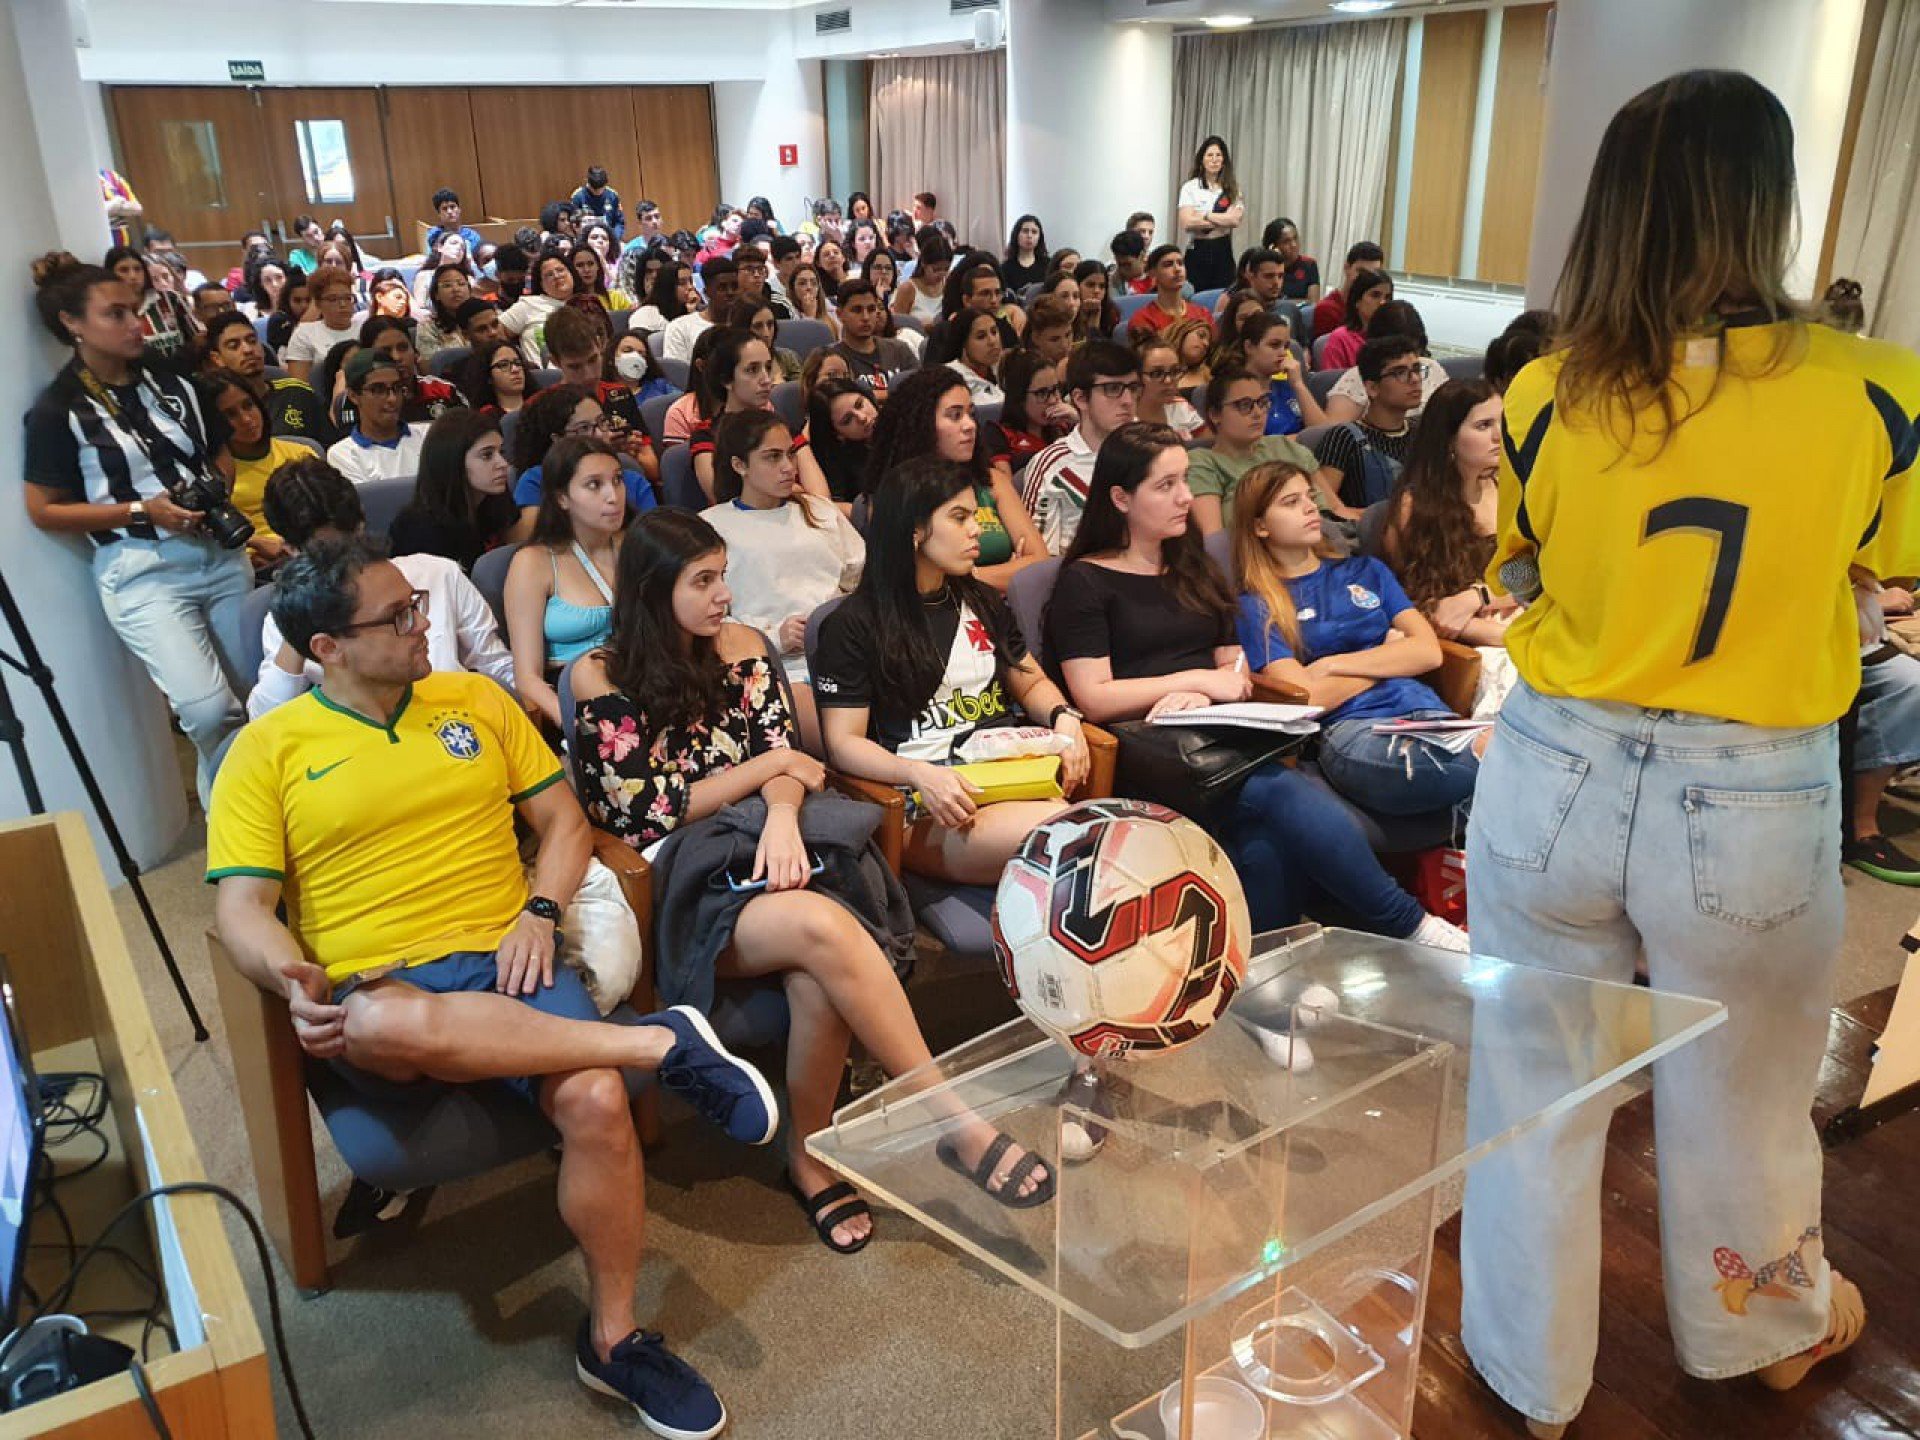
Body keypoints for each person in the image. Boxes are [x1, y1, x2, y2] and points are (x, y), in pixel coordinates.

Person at [1458, 71, 1917, 1439]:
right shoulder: (1878, 390)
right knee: (1750, 1085)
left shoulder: (1544, 389)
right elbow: (1891, 569)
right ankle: (1766, 1324)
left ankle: (1529, 1378)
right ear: (1767, 202)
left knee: (1533, 1081)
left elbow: (1525, 570)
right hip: (1756, 785)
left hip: (1554, 768)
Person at [210, 535, 775, 1440]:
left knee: (593, 1101)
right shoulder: (266, 751)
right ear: (329, 649)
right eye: (397, 617)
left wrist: (540, 912)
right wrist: (289, 973)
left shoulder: (472, 699)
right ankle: (657, 1042)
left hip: (510, 953)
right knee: (386, 1022)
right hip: (381, 981)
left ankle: (615, 1340)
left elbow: (563, 821)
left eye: (417, 603)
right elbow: (243, 906)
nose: (423, 622)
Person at [573, 508, 1050, 1248]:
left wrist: (787, 815)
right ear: (650, 588)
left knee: (817, 975)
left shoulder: (743, 649)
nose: (722, 595)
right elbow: (646, 812)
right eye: (702, 582)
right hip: (682, 873)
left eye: (723, 575)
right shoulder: (599, 674)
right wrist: (771, 776)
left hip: (772, 842)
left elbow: (794, 768)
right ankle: (954, 1121)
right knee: (827, 926)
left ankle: (809, 1157)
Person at [1044, 423, 1467, 948]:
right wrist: (1191, 682)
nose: (1185, 497)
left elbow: (1236, 667)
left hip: (1212, 728)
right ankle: (1407, 923)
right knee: (1274, 790)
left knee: (1262, 838)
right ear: (1120, 498)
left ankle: (1270, 982)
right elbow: (1094, 695)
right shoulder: (1085, 581)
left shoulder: (1190, 564)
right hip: (1143, 742)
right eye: (1166, 485)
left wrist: (1210, 690)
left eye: (1184, 481)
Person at [25, 254, 251, 805]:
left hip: (219, 553)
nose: (136, 325)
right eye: (116, 314)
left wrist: (214, 490)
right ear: (72, 325)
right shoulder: (60, 410)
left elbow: (220, 449)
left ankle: (252, 817)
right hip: (144, 571)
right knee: (205, 709)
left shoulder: (172, 380)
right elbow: (43, 509)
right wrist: (141, 511)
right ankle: (237, 828)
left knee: (261, 693)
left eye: (136, 311)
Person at [817, 455, 1087, 884]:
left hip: (1008, 777)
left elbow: (1028, 677)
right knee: (1067, 839)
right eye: (959, 517)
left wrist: (1064, 718)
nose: (977, 528)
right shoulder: (853, 625)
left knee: (1088, 834)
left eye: (974, 515)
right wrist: (919, 775)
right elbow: (843, 743)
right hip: (925, 803)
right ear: (914, 530)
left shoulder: (980, 599)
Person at [1234, 460, 1484, 816]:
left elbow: (1429, 652)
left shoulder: (1367, 570)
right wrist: (1390, 656)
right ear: (1260, 526)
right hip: (1354, 732)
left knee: (1517, 763)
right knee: (1507, 765)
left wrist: (1334, 664)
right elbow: (1306, 698)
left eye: (1309, 496)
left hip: (1428, 713)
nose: (1308, 507)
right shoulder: (1258, 604)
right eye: (1290, 503)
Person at [248, 456, 514, 717]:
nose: (346, 565)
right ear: (291, 552)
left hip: (458, 727)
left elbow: (498, 668)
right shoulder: (285, 621)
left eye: (349, 545)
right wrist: (303, 625)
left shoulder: (438, 573)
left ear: (361, 524)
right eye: (325, 556)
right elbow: (265, 720)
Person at [701, 410, 863, 744]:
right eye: (772, 457)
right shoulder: (711, 528)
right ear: (739, 466)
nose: (789, 466)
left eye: (790, 454)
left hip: (846, 650)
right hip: (773, 665)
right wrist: (774, 637)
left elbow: (865, 578)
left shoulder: (819, 510)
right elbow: (710, 619)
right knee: (825, 719)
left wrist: (845, 618)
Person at [866, 368, 1046, 590]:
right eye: (955, 415)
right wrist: (1006, 572)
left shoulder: (992, 480)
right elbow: (908, 581)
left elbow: (1039, 563)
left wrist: (966, 576)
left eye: (971, 414)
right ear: (921, 424)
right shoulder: (895, 494)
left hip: (1003, 612)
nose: (970, 425)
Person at [1379, 378, 1517, 646]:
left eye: (1503, 421)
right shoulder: (1416, 506)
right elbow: (1422, 607)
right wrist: (1505, 636)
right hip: (1464, 643)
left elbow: (1538, 574)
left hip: (1521, 620)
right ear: (1449, 439)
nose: (1499, 436)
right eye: (1483, 425)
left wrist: (1481, 595)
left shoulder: (1513, 487)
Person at [504, 436, 629, 727]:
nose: (613, 495)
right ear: (562, 498)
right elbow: (527, 677)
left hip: (641, 681)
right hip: (578, 700)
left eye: (618, 480)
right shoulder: (533, 563)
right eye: (594, 485)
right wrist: (577, 728)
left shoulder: (635, 544)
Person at [1022, 341, 1142, 553]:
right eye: (1113, 389)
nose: (1127, 400)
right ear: (1080, 398)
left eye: (1133, 388)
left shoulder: (1152, 452)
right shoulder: (1052, 465)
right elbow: (1039, 562)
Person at [688, 328, 829, 502]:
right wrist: (797, 492)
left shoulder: (783, 427)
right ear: (726, 379)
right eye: (752, 370)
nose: (766, 379)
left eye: (768, 368)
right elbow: (728, 499)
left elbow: (821, 498)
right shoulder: (707, 436)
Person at [1186, 366, 1322, 536]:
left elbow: (1333, 510)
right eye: (1245, 405)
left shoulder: (1285, 446)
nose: (1258, 413)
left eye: (1263, 403)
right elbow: (1213, 539)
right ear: (1215, 415)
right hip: (1255, 554)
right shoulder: (1203, 463)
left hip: (1321, 537)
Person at [390, 408, 524, 571]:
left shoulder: (498, 501)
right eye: (487, 455)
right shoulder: (418, 529)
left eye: (501, 452)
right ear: (454, 462)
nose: (503, 463)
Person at [203, 375, 311, 570]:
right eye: (230, 415)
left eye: (248, 405)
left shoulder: (301, 453)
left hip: (308, 554)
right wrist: (252, 547)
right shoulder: (212, 474)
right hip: (246, 565)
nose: (246, 419)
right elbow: (206, 531)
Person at [511, 383, 658, 525]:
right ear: (558, 439)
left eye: (602, 422)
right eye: (584, 428)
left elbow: (651, 541)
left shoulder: (633, 481)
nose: (600, 434)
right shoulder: (536, 480)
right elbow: (529, 541)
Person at [542, 306, 658, 483]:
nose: (589, 374)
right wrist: (602, 449)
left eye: (593, 360)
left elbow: (653, 470)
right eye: (575, 367)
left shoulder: (620, 395)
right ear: (555, 362)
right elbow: (543, 483)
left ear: (601, 345)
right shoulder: (542, 407)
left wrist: (630, 453)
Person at [1311, 336, 1423, 518]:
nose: (1415, 379)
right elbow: (1326, 509)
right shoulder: (1344, 436)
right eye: (1400, 373)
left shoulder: (1422, 431)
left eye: (1417, 370)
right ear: (1372, 388)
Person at [201, 311, 329, 445]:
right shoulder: (215, 410)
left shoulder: (298, 393)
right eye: (234, 346)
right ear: (217, 359)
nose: (247, 349)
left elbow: (328, 446)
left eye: (252, 341)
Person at [1323, 301, 1445, 422]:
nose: (1415, 379)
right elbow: (1332, 430)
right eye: (1397, 351)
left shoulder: (1431, 367)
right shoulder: (1358, 377)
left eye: (1413, 349)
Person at [325, 349, 428, 486]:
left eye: (397, 388)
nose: (392, 398)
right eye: (378, 390)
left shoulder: (427, 435)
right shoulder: (343, 454)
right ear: (353, 396)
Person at [1223, 311, 1330, 437]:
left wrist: (1298, 385)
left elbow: (1324, 435)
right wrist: (1298, 440)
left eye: (1286, 346)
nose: (1283, 353)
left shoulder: (1290, 386)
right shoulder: (1233, 392)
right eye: (1274, 345)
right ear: (1249, 347)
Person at [105, 245, 196, 366]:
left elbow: (196, 337)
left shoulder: (170, 299)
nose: (132, 276)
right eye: (124, 270)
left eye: (138, 269)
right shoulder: (108, 311)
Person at [827, 279, 916, 397]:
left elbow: (920, 390)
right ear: (840, 314)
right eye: (857, 310)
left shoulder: (900, 349)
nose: (865, 317)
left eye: (871, 309)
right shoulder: (831, 358)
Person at [1177, 136, 1244, 292]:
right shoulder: (1190, 187)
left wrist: (1204, 215)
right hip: (1198, 248)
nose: (1214, 160)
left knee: (1224, 295)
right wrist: (1222, 219)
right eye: (1210, 155)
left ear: (1224, 160)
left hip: (1223, 248)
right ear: (1202, 159)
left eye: (1218, 155)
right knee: (1194, 296)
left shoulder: (1232, 189)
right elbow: (1187, 222)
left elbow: (1234, 220)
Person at [804, 377, 878, 507]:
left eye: (860, 404)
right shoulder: (835, 460)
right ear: (837, 434)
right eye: (847, 420)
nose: (862, 418)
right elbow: (829, 506)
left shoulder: (903, 423)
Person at [283, 268, 364, 384]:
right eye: (333, 299)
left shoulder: (364, 329)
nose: (343, 304)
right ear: (317, 304)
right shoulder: (304, 334)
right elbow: (298, 387)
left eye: (347, 298)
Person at [998, 350, 1075, 466]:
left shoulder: (1065, 425)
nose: (1053, 400)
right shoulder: (1000, 435)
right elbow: (1004, 480)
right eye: (1042, 393)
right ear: (1020, 397)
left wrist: (1078, 420)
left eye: (1055, 389)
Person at [500, 250, 576, 366]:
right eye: (549, 274)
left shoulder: (587, 304)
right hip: (541, 378)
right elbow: (496, 334)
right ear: (541, 284)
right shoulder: (528, 304)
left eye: (560, 270)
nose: (556, 276)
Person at [662, 257, 739, 364]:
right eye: (722, 288)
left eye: (735, 287)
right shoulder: (680, 327)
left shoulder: (747, 323)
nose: (730, 293)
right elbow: (677, 375)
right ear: (706, 292)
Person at [1133, 335, 1207, 442]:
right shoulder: (1123, 416)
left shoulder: (1180, 407)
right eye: (1157, 373)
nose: (1168, 380)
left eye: (1174, 371)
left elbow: (1209, 447)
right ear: (1136, 377)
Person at [1319, 269, 1394, 372]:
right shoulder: (1340, 339)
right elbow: (1332, 383)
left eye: (1388, 297)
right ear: (1357, 301)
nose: (1382, 302)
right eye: (1375, 295)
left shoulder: (1394, 336)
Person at [1129, 245, 1211, 339]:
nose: (1177, 269)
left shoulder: (1202, 313)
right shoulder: (1143, 319)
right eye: (1168, 264)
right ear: (1152, 273)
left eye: (1180, 263)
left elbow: (1214, 350)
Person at [1312, 241, 1385, 340]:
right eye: (1361, 272)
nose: (1366, 279)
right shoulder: (1328, 309)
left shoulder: (1380, 307)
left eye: (1373, 274)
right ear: (1347, 268)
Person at [938, 308, 1005, 407]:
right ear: (963, 344)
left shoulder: (1006, 369)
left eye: (994, 332)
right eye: (981, 336)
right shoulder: (948, 381)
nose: (992, 341)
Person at [460, 340, 541, 422]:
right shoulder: (485, 419)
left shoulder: (541, 404)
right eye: (503, 365)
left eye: (517, 363)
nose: (515, 369)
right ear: (488, 376)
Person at [729, 297, 802, 382]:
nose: (766, 334)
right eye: (758, 326)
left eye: (770, 324)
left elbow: (800, 393)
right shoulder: (731, 366)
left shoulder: (787, 358)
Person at [414, 264, 474, 363]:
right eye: (447, 285)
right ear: (436, 294)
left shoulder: (483, 316)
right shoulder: (427, 325)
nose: (456, 289)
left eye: (461, 284)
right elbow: (429, 365)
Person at [894, 229, 951, 325]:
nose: (941, 274)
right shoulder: (908, 288)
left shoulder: (948, 284)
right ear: (924, 264)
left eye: (946, 269)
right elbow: (897, 324)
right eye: (936, 270)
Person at [425, 187, 490, 264]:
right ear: (439, 214)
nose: (449, 211)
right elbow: (430, 260)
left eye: (452, 207)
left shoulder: (472, 236)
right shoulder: (433, 235)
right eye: (445, 209)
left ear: (459, 210)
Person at [1262, 219, 1320, 303]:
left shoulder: (1309, 264)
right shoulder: (1264, 267)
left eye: (1295, 238)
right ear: (1274, 246)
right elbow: (1262, 301)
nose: (1294, 245)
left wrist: (1278, 303)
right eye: (1286, 241)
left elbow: (1313, 303)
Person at [569, 245, 630, 315]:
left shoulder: (616, 298)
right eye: (580, 265)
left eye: (590, 264)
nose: (587, 270)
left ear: (598, 266)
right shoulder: (570, 303)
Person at [570, 166, 625, 242]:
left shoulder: (612, 195)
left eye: (601, 188)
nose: (598, 192)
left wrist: (614, 238)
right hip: (586, 240)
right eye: (594, 189)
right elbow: (574, 225)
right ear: (587, 182)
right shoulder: (578, 197)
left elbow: (619, 222)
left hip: (610, 239)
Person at [1023, 294, 1076, 370]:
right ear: (1036, 338)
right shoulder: (1026, 372)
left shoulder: (1078, 361)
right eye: (1054, 339)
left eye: (1068, 335)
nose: (1064, 345)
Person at [786, 262, 838, 337]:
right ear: (793, 288)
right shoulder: (788, 312)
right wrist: (809, 315)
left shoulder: (830, 308)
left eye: (814, 283)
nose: (809, 287)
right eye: (802, 283)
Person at [1161, 317, 1215, 391]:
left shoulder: (1207, 375)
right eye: (1201, 335)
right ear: (1181, 333)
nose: (1206, 344)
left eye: (1209, 342)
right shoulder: (1154, 370)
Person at [266, 271, 309, 358]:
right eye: (297, 300)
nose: (304, 306)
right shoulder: (278, 320)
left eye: (308, 300)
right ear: (287, 301)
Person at [1073, 259, 1120, 339]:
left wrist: (1094, 326)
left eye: (1102, 286)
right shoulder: (1066, 313)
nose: (1097, 291)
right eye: (1090, 285)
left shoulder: (1111, 313)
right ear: (1076, 285)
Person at [1001, 215, 1049, 292]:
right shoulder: (1005, 268)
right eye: (1025, 231)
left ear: (1039, 237)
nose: (1029, 236)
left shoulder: (1048, 265)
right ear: (1016, 235)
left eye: (1034, 232)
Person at [1109, 229, 1150, 297]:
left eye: (1127, 265)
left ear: (1142, 256)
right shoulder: (1114, 282)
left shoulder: (1157, 278)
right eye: (1119, 264)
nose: (1122, 270)